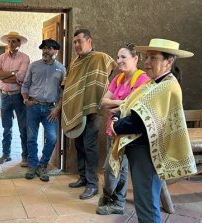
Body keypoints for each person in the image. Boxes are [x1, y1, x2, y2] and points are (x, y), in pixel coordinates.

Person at [109, 38, 197, 222]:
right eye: (147, 57)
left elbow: (138, 121)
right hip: (140, 151)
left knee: (147, 204)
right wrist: (119, 117)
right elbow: (127, 106)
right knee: (144, 201)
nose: (147, 63)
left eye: (153, 58)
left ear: (169, 61)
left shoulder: (167, 86)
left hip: (147, 153)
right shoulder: (153, 83)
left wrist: (116, 124)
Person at [61, 29, 117, 200]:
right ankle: (83, 178)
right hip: (76, 109)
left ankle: (92, 185)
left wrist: (95, 89)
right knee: (79, 144)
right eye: (75, 42)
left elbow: (109, 70)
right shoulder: (75, 62)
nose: (77, 45)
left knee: (90, 146)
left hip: (93, 108)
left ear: (89, 41)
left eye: (80, 41)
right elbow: (68, 83)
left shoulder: (100, 57)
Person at [96, 43, 149, 215]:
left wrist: (119, 105)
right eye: (118, 57)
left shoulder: (142, 79)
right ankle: (114, 200)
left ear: (136, 59)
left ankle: (115, 200)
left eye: (123, 57)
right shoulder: (118, 79)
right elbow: (103, 102)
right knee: (115, 168)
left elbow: (136, 106)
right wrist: (122, 103)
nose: (118, 61)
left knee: (114, 169)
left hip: (127, 133)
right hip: (112, 130)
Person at [21, 39, 66, 181]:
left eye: (49, 48)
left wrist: (57, 108)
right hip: (33, 106)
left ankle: (43, 165)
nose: (46, 51)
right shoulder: (34, 66)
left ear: (56, 51)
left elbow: (64, 92)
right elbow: (25, 85)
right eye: (44, 48)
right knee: (31, 138)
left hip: (50, 109)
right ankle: (33, 165)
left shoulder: (61, 69)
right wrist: (26, 99)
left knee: (52, 138)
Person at [0, 31, 30, 167]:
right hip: (5, 96)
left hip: (18, 96)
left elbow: (20, 77)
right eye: (9, 41)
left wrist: (5, 75)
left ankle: (25, 156)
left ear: (19, 43)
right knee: (6, 128)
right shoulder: (1, 57)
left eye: (14, 41)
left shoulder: (25, 58)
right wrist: (12, 73)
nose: (11, 44)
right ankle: (6, 154)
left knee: (23, 128)